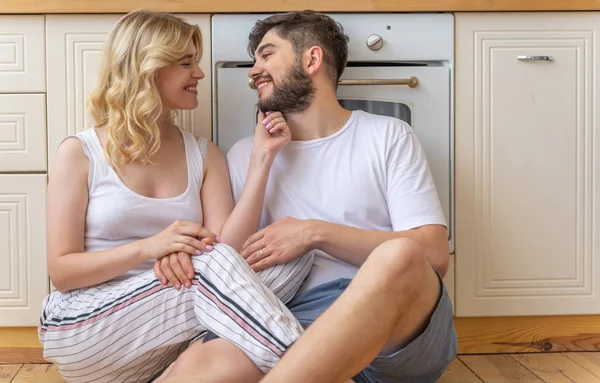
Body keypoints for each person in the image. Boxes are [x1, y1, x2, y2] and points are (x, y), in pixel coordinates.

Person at [161, 10, 458, 383]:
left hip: (391, 328)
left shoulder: (387, 136)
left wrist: (315, 233)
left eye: (267, 55)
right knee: (195, 366)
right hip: (286, 320)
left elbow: (432, 255)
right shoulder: (243, 155)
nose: (253, 71)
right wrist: (261, 162)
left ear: (312, 59)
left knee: (400, 255)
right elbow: (225, 264)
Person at [37, 9, 314, 383]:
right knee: (210, 265)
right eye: (186, 63)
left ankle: (177, 372)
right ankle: (318, 368)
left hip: (164, 331)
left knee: (293, 255)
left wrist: (262, 159)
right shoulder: (80, 152)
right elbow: (63, 273)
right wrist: (152, 248)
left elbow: (228, 254)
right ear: (148, 68)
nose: (199, 74)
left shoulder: (205, 154)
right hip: (85, 325)